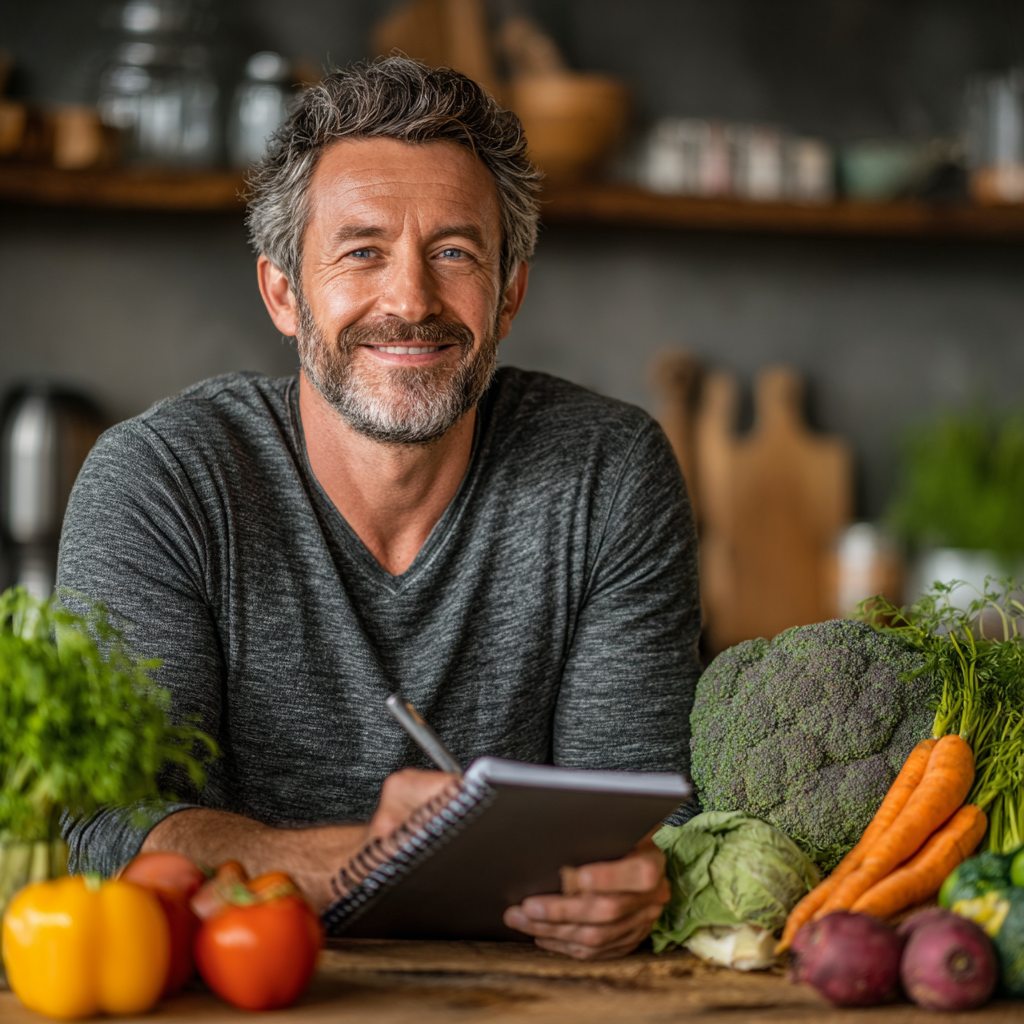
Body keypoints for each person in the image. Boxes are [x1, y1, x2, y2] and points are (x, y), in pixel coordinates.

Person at [58, 58, 701, 961]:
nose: (410, 300)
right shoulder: (162, 481)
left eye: (454, 252)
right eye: (361, 251)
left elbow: (634, 811)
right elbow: (109, 829)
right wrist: (356, 858)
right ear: (284, 293)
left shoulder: (608, 476)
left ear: (509, 294)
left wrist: (630, 883)